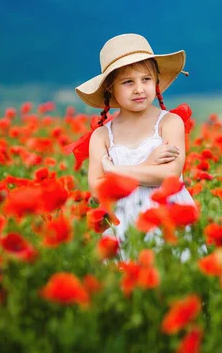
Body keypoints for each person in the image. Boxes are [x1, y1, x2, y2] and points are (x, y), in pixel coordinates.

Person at [73, 33, 196, 258]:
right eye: (128, 82)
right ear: (110, 89)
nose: (139, 89)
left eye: (146, 79)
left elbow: (170, 174)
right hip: (124, 224)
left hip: (169, 219)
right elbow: (97, 188)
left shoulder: (169, 123)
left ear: (156, 81)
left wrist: (115, 172)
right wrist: (149, 164)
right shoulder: (101, 136)